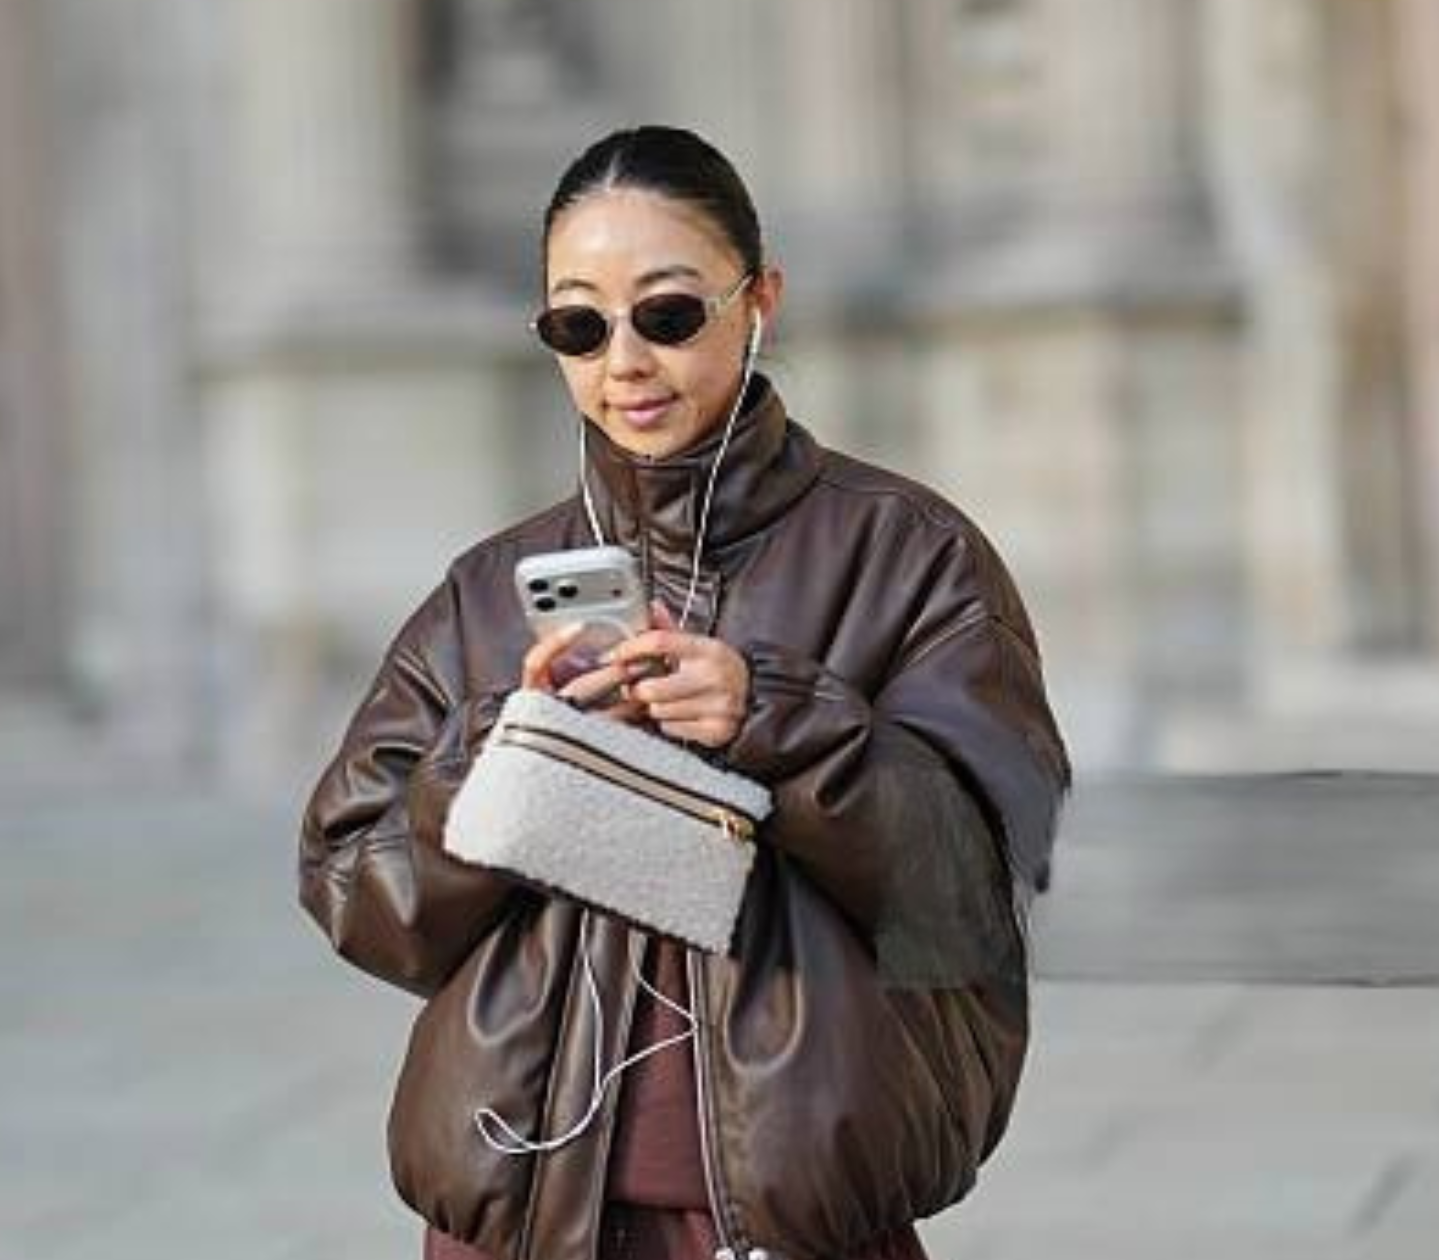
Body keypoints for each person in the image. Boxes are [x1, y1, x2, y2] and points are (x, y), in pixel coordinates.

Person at [298, 125, 1070, 1260]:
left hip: (795, 1221)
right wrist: (507, 754)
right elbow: (354, 891)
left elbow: (976, 882)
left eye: (666, 314)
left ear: (757, 299)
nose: (623, 362)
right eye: (577, 324)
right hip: (513, 1217)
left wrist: (776, 721)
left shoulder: (908, 553)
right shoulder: (485, 595)